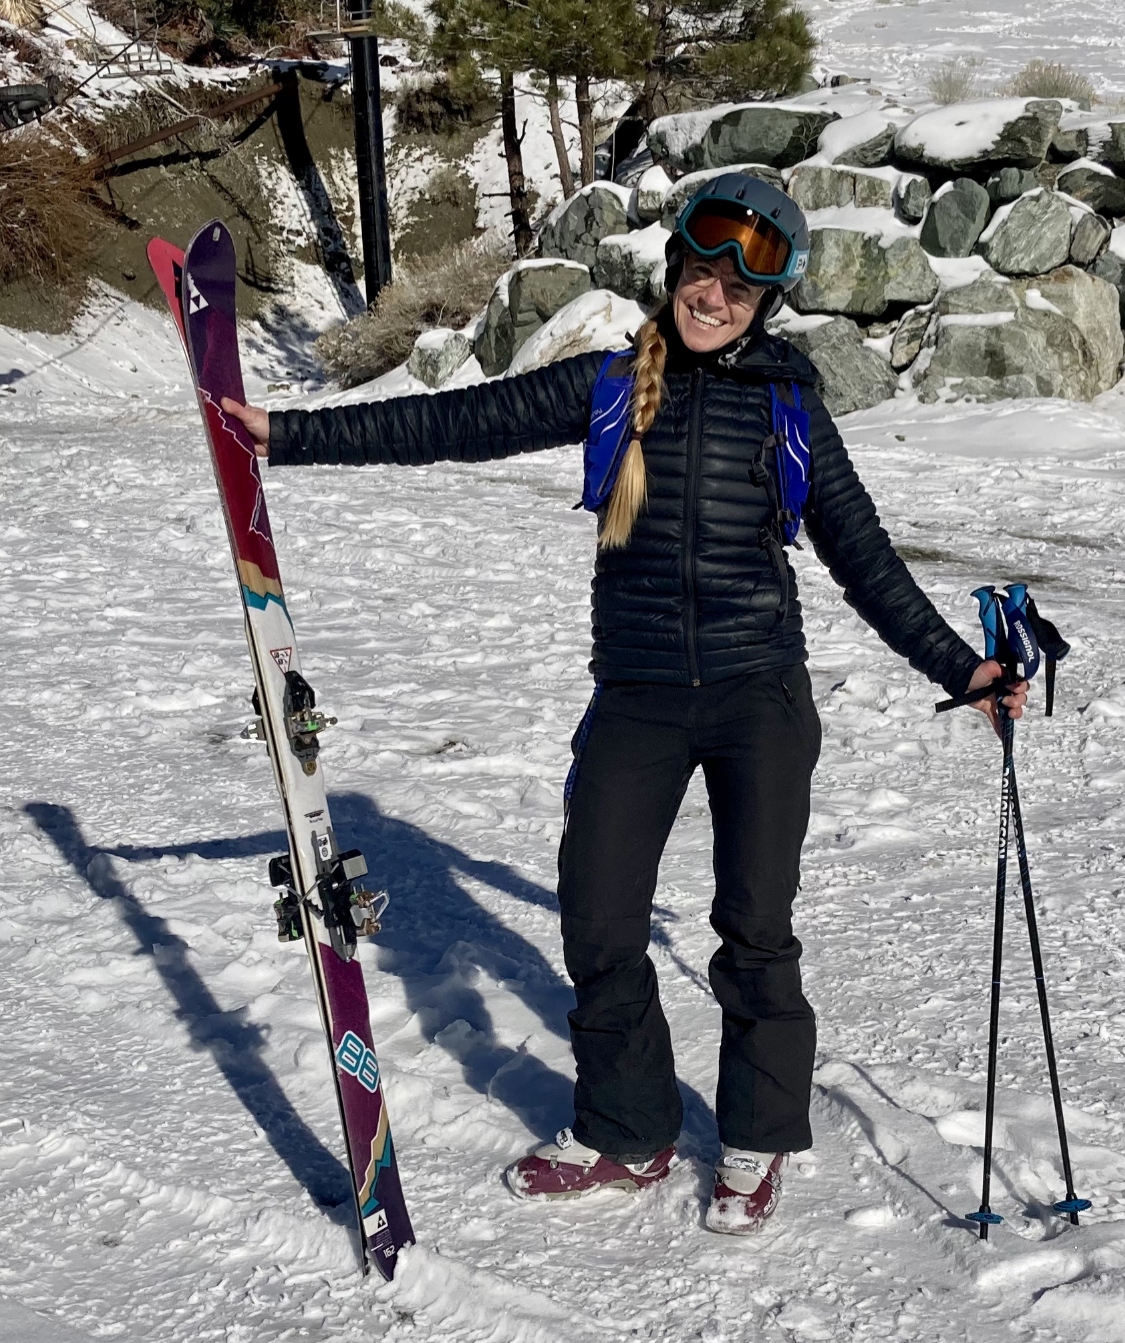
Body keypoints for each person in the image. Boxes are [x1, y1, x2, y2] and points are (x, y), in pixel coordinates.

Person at [224, 171, 1022, 1235]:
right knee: (599, 922)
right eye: (707, 268)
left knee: (755, 930)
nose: (720, 293)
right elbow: (459, 420)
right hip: (636, 697)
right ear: (677, 266)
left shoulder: (789, 405)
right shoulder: (607, 386)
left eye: (747, 283)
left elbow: (866, 562)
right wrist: (294, 437)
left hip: (758, 697)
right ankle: (628, 1129)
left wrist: (959, 668)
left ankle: (754, 1139)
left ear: (767, 301)